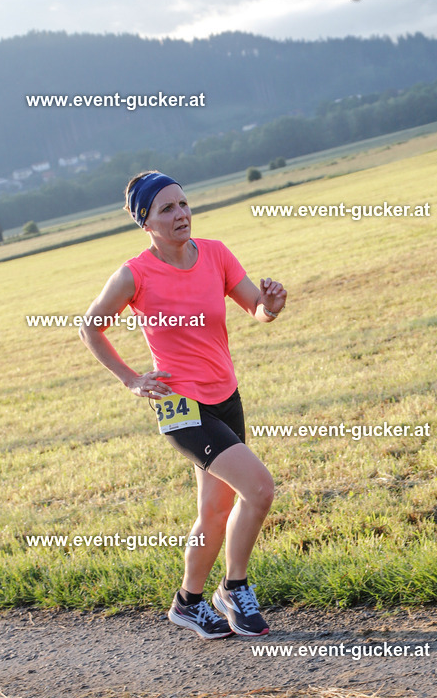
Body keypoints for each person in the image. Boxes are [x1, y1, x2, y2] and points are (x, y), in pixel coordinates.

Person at [79, 170, 286, 639]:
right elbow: (90, 325)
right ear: (144, 222)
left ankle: (188, 603)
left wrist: (271, 303)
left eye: (184, 204)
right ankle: (234, 588)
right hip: (179, 406)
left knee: (215, 510)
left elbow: (256, 307)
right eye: (167, 209)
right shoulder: (134, 273)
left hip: (225, 396)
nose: (181, 214)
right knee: (260, 489)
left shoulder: (215, 254)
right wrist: (131, 379)